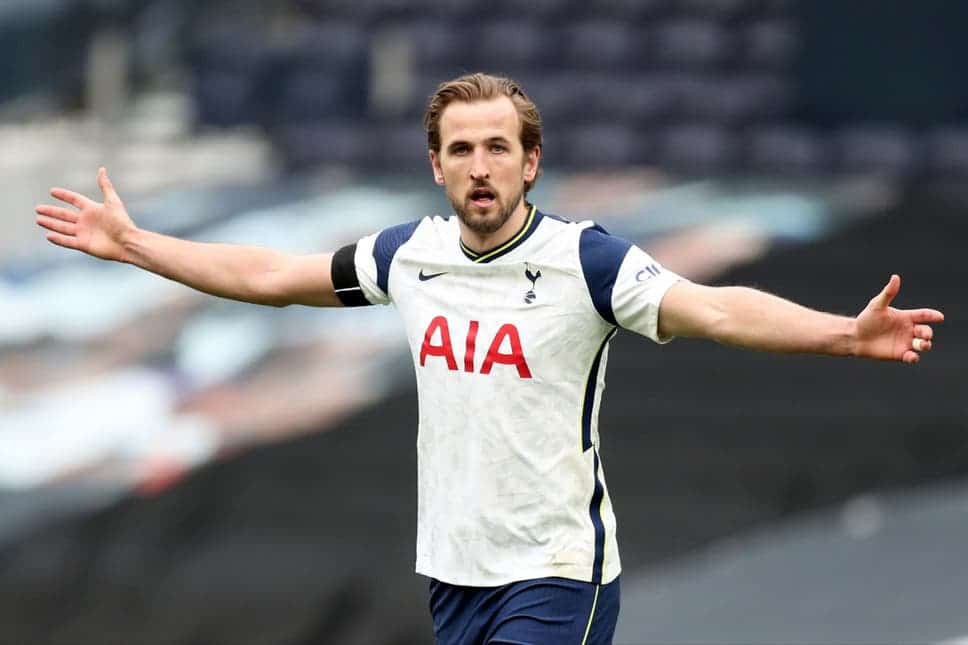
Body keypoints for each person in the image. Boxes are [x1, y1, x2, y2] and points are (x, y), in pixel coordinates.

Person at [35, 73, 944, 645]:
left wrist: (840, 331)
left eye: (498, 148)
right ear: (436, 166)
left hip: (556, 573)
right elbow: (271, 276)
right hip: (455, 571)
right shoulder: (408, 255)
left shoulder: (586, 261)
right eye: (461, 149)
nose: (480, 166)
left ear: (530, 161)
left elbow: (714, 308)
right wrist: (138, 245)